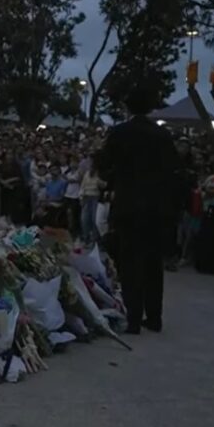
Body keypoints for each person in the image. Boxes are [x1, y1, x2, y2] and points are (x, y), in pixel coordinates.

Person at [99, 83, 179, 334]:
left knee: (130, 263)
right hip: (157, 208)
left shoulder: (120, 132)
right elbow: (174, 169)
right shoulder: (163, 135)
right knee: (153, 263)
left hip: (129, 206)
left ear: (127, 106)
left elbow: (104, 164)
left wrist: (113, 178)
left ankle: (133, 318)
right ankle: (154, 316)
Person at [79, 157, 104, 244]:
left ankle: (95, 240)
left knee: (94, 219)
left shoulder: (100, 174)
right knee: (84, 219)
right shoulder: (86, 174)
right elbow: (82, 186)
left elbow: (104, 185)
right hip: (86, 197)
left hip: (95, 197)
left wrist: (99, 181)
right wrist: (81, 197)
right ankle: (86, 238)